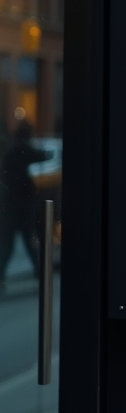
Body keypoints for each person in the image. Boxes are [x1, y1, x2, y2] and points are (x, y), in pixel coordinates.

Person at [0, 120, 52, 290]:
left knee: (7, 244)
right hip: (22, 203)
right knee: (28, 242)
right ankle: (41, 274)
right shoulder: (21, 149)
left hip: (9, 204)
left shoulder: (9, 148)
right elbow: (42, 155)